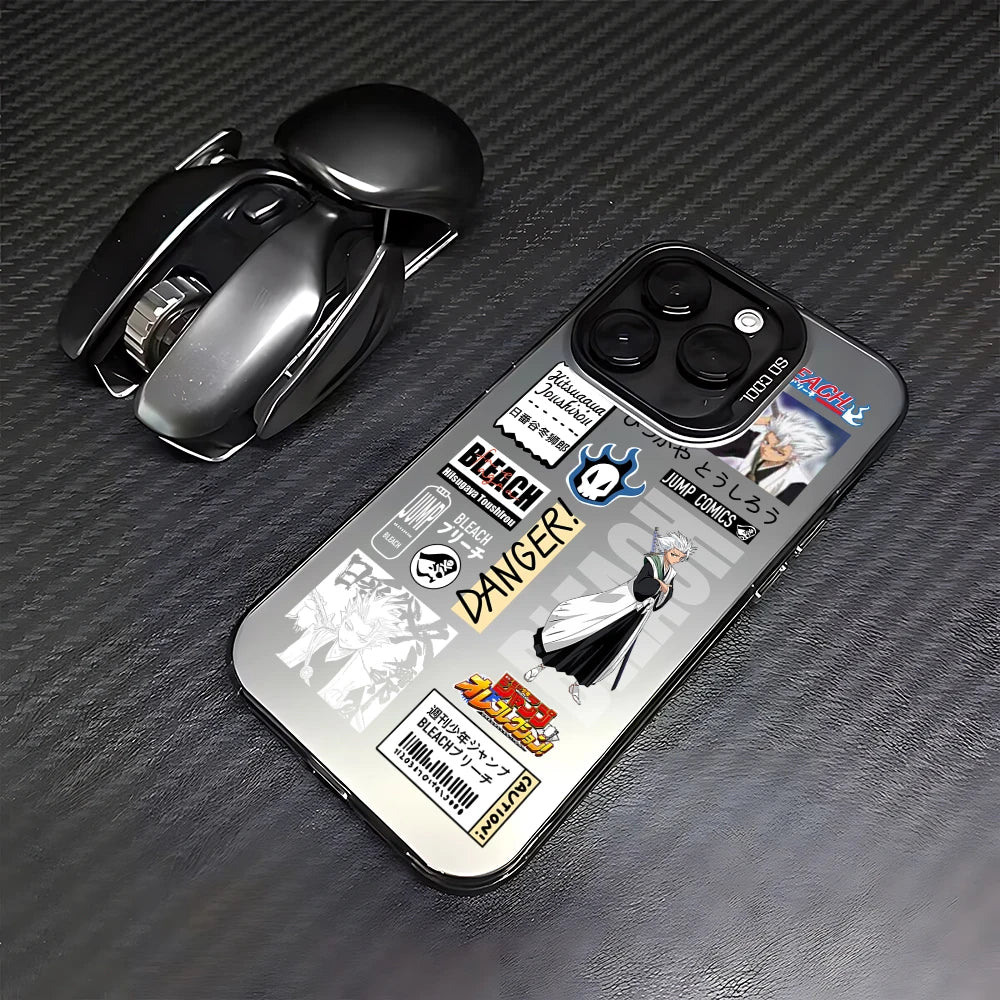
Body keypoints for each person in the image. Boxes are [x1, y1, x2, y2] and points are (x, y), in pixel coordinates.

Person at [526, 529, 696, 704]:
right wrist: (659, 584)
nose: (676, 559)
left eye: (680, 558)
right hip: (621, 605)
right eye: (674, 554)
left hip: (635, 617)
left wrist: (664, 591)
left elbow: (666, 595)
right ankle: (540, 666)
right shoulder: (652, 563)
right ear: (667, 550)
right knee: (583, 634)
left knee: (609, 648)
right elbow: (640, 588)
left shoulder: (670, 573)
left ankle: (576, 684)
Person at [710, 403, 830, 504]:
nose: (766, 449)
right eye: (766, 441)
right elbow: (715, 436)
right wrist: (761, 420)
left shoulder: (794, 485)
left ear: (794, 457)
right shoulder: (757, 445)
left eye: (778, 451)